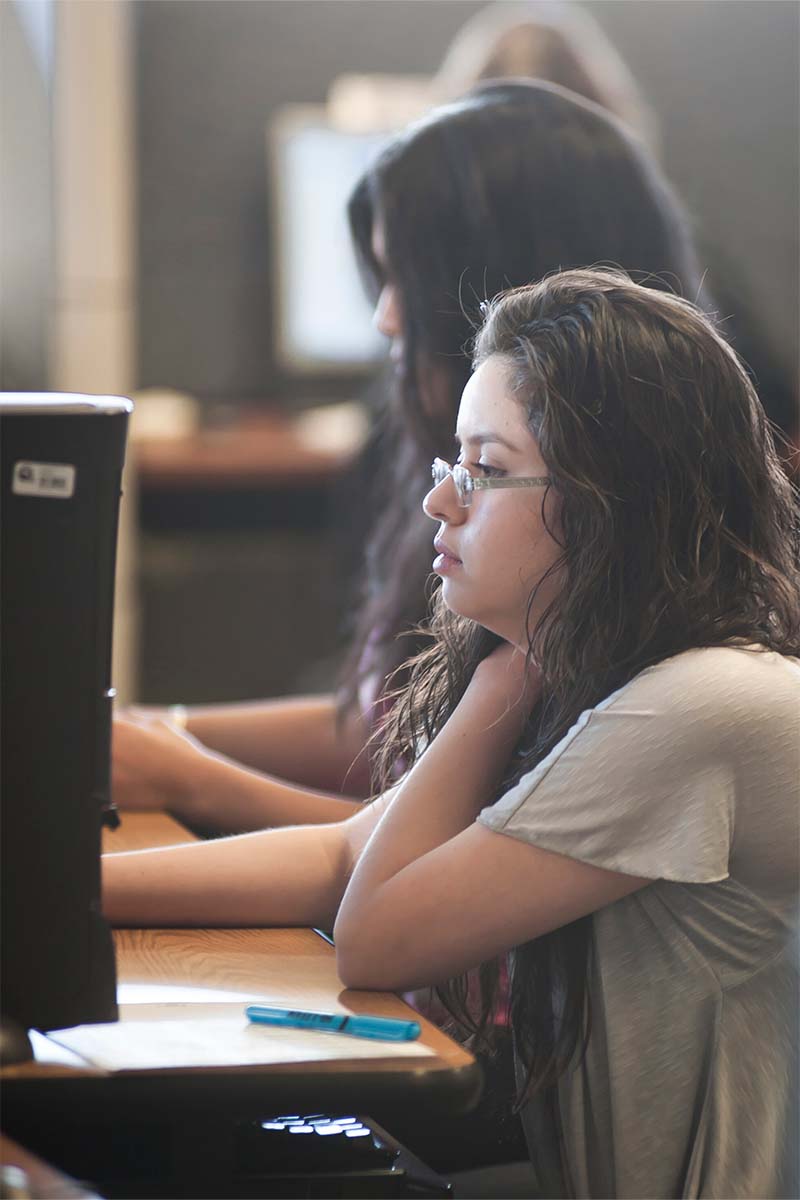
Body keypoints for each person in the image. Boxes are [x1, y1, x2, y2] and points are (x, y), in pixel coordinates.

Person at [106, 267, 800, 1198]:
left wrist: (497, 682)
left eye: (489, 468)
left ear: (612, 503)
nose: (443, 501)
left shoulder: (696, 706)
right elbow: (346, 855)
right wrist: (50, 896)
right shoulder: (618, 669)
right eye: (453, 463)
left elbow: (378, 936)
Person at [113, 80, 706, 834]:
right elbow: (388, 728)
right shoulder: (464, 479)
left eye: (403, 277)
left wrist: (185, 773)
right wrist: (160, 735)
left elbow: (421, 857)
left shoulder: (575, 583)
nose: (384, 316)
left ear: (506, 283)